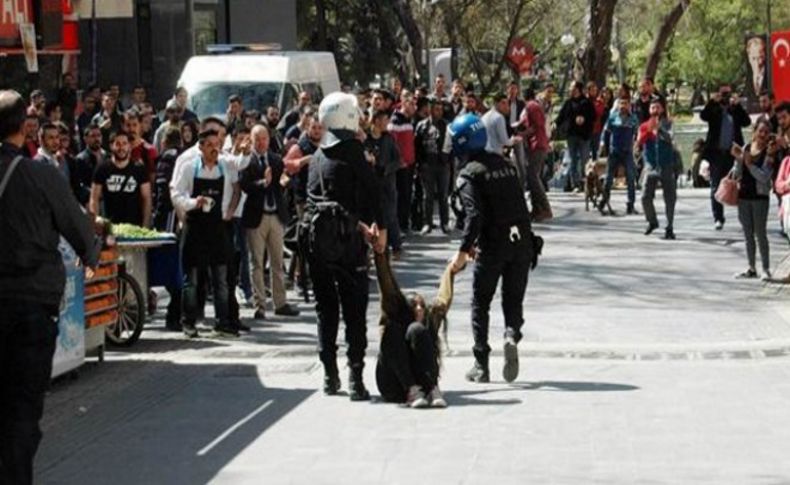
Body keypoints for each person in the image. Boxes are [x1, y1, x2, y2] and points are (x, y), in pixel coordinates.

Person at [0, 89, 99, 485]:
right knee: (21, 414)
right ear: (25, 127)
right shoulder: (37, 174)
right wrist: (90, 253)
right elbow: (78, 227)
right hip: (28, 308)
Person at [306, 92, 386, 401]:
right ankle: (355, 377)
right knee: (354, 310)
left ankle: (329, 375)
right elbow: (373, 193)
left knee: (325, 310)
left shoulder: (316, 156)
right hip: (349, 244)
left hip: (316, 246)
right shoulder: (353, 151)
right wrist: (376, 227)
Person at [449, 113, 538, 384]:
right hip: (521, 241)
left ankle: (481, 363)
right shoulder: (506, 165)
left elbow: (474, 216)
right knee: (513, 300)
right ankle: (511, 334)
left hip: (493, 244)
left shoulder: (468, 175)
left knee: (481, 303)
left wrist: (463, 252)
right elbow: (522, 205)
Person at [171, 129, 240, 338]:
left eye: (216, 144)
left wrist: (230, 211)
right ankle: (188, 322)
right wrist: (193, 203)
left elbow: (237, 186)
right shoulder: (189, 167)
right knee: (190, 280)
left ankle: (223, 322)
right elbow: (175, 193)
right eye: (209, 145)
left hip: (217, 228)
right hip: (195, 228)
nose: (214, 149)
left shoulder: (225, 167)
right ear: (200, 147)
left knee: (221, 278)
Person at [374, 250, 457, 408]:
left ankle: (432, 389)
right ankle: (411, 390)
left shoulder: (427, 321)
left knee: (417, 329)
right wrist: (380, 256)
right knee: (393, 329)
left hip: (422, 386)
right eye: (414, 305)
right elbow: (387, 286)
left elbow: (443, 299)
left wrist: (451, 270)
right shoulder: (397, 313)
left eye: (422, 306)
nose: (419, 309)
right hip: (392, 385)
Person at [240, 124, 300, 320]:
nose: (261, 142)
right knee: (256, 262)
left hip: (275, 215)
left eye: (264, 138)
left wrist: (283, 181)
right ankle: (260, 305)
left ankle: (280, 302)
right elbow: (245, 185)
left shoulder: (274, 159)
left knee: (277, 261)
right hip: (256, 217)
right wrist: (262, 183)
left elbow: (283, 178)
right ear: (252, 139)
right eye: (257, 139)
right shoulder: (246, 161)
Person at [731, 120, 777, 281]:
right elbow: (737, 173)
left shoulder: (770, 152)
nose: (763, 134)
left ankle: (765, 268)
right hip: (743, 197)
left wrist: (750, 164)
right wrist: (738, 159)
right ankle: (751, 267)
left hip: (760, 198)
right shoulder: (746, 148)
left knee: (760, 233)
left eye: (766, 132)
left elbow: (764, 177)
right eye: (760, 131)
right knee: (747, 234)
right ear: (754, 131)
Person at [701, 84, 751, 230]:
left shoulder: (734, 109)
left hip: (733, 153)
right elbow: (703, 116)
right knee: (715, 185)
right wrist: (712, 102)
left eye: (727, 93)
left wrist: (738, 105)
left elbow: (746, 122)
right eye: (723, 93)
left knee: (741, 186)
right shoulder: (714, 109)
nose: (725, 96)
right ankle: (718, 217)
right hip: (717, 154)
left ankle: (745, 217)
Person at [153, 127, 183, 330]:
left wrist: (157, 216)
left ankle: (175, 314)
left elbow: (163, 192)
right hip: (180, 214)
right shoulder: (183, 158)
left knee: (170, 265)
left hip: (169, 217)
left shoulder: (166, 160)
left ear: (165, 141)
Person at [89, 131, 152, 227]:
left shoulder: (139, 169)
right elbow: (94, 198)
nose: (121, 148)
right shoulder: (102, 168)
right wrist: (95, 221)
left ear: (129, 146)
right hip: (109, 227)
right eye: (117, 144)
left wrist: (146, 225)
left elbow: (147, 199)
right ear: (111, 146)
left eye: (124, 144)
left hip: (135, 227)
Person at [365, 110, 403, 257]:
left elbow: (398, 160)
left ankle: (396, 246)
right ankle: (375, 246)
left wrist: (385, 169)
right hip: (371, 184)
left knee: (391, 215)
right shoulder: (366, 140)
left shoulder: (389, 139)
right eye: (385, 120)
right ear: (376, 120)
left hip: (387, 183)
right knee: (373, 216)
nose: (388, 123)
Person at [638, 100, 677, 240]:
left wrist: (659, 129)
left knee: (670, 197)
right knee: (645, 196)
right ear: (649, 110)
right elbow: (639, 142)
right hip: (651, 165)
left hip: (666, 164)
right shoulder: (643, 126)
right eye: (652, 107)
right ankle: (652, 221)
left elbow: (670, 138)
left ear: (662, 109)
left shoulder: (668, 124)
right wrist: (649, 130)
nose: (655, 109)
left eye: (657, 107)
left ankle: (670, 227)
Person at [599, 96, 640, 215]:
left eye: (626, 103)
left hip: (627, 151)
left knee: (631, 178)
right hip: (614, 151)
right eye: (621, 103)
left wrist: (637, 144)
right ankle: (604, 201)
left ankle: (630, 204)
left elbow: (638, 133)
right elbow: (606, 133)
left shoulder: (633, 119)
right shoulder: (612, 118)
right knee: (608, 178)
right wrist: (604, 147)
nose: (623, 106)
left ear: (629, 105)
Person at [415, 99, 450, 234]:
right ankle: (427, 223)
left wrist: (448, 160)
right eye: (436, 109)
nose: (439, 112)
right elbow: (417, 146)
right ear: (430, 110)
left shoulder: (447, 125)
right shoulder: (422, 126)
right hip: (427, 164)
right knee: (427, 196)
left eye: (441, 109)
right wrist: (419, 163)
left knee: (443, 195)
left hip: (443, 165)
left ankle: (445, 223)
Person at [518, 87, 553, 221]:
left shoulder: (531, 106)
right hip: (536, 145)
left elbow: (536, 126)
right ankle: (536, 208)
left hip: (537, 144)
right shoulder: (533, 107)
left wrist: (522, 133)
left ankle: (545, 208)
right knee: (532, 177)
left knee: (533, 177)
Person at [556, 81, 595, 192]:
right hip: (571, 135)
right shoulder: (568, 103)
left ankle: (586, 184)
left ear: (578, 89)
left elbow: (593, 116)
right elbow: (561, 116)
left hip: (584, 136)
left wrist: (584, 119)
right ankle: (576, 184)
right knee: (572, 160)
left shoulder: (586, 102)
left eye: (572, 87)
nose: (571, 89)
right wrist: (555, 124)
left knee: (585, 160)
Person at [389, 92, 417, 234]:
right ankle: (400, 226)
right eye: (411, 104)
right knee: (401, 195)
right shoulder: (395, 121)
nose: (414, 107)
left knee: (407, 194)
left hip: (410, 164)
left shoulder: (409, 121)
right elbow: (394, 144)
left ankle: (405, 224)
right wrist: (400, 160)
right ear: (404, 103)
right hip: (401, 165)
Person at [74, 124, 107, 206]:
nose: (97, 139)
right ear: (85, 139)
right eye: (93, 136)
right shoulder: (80, 159)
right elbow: (79, 185)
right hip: (91, 202)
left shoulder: (108, 157)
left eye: (99, 135)